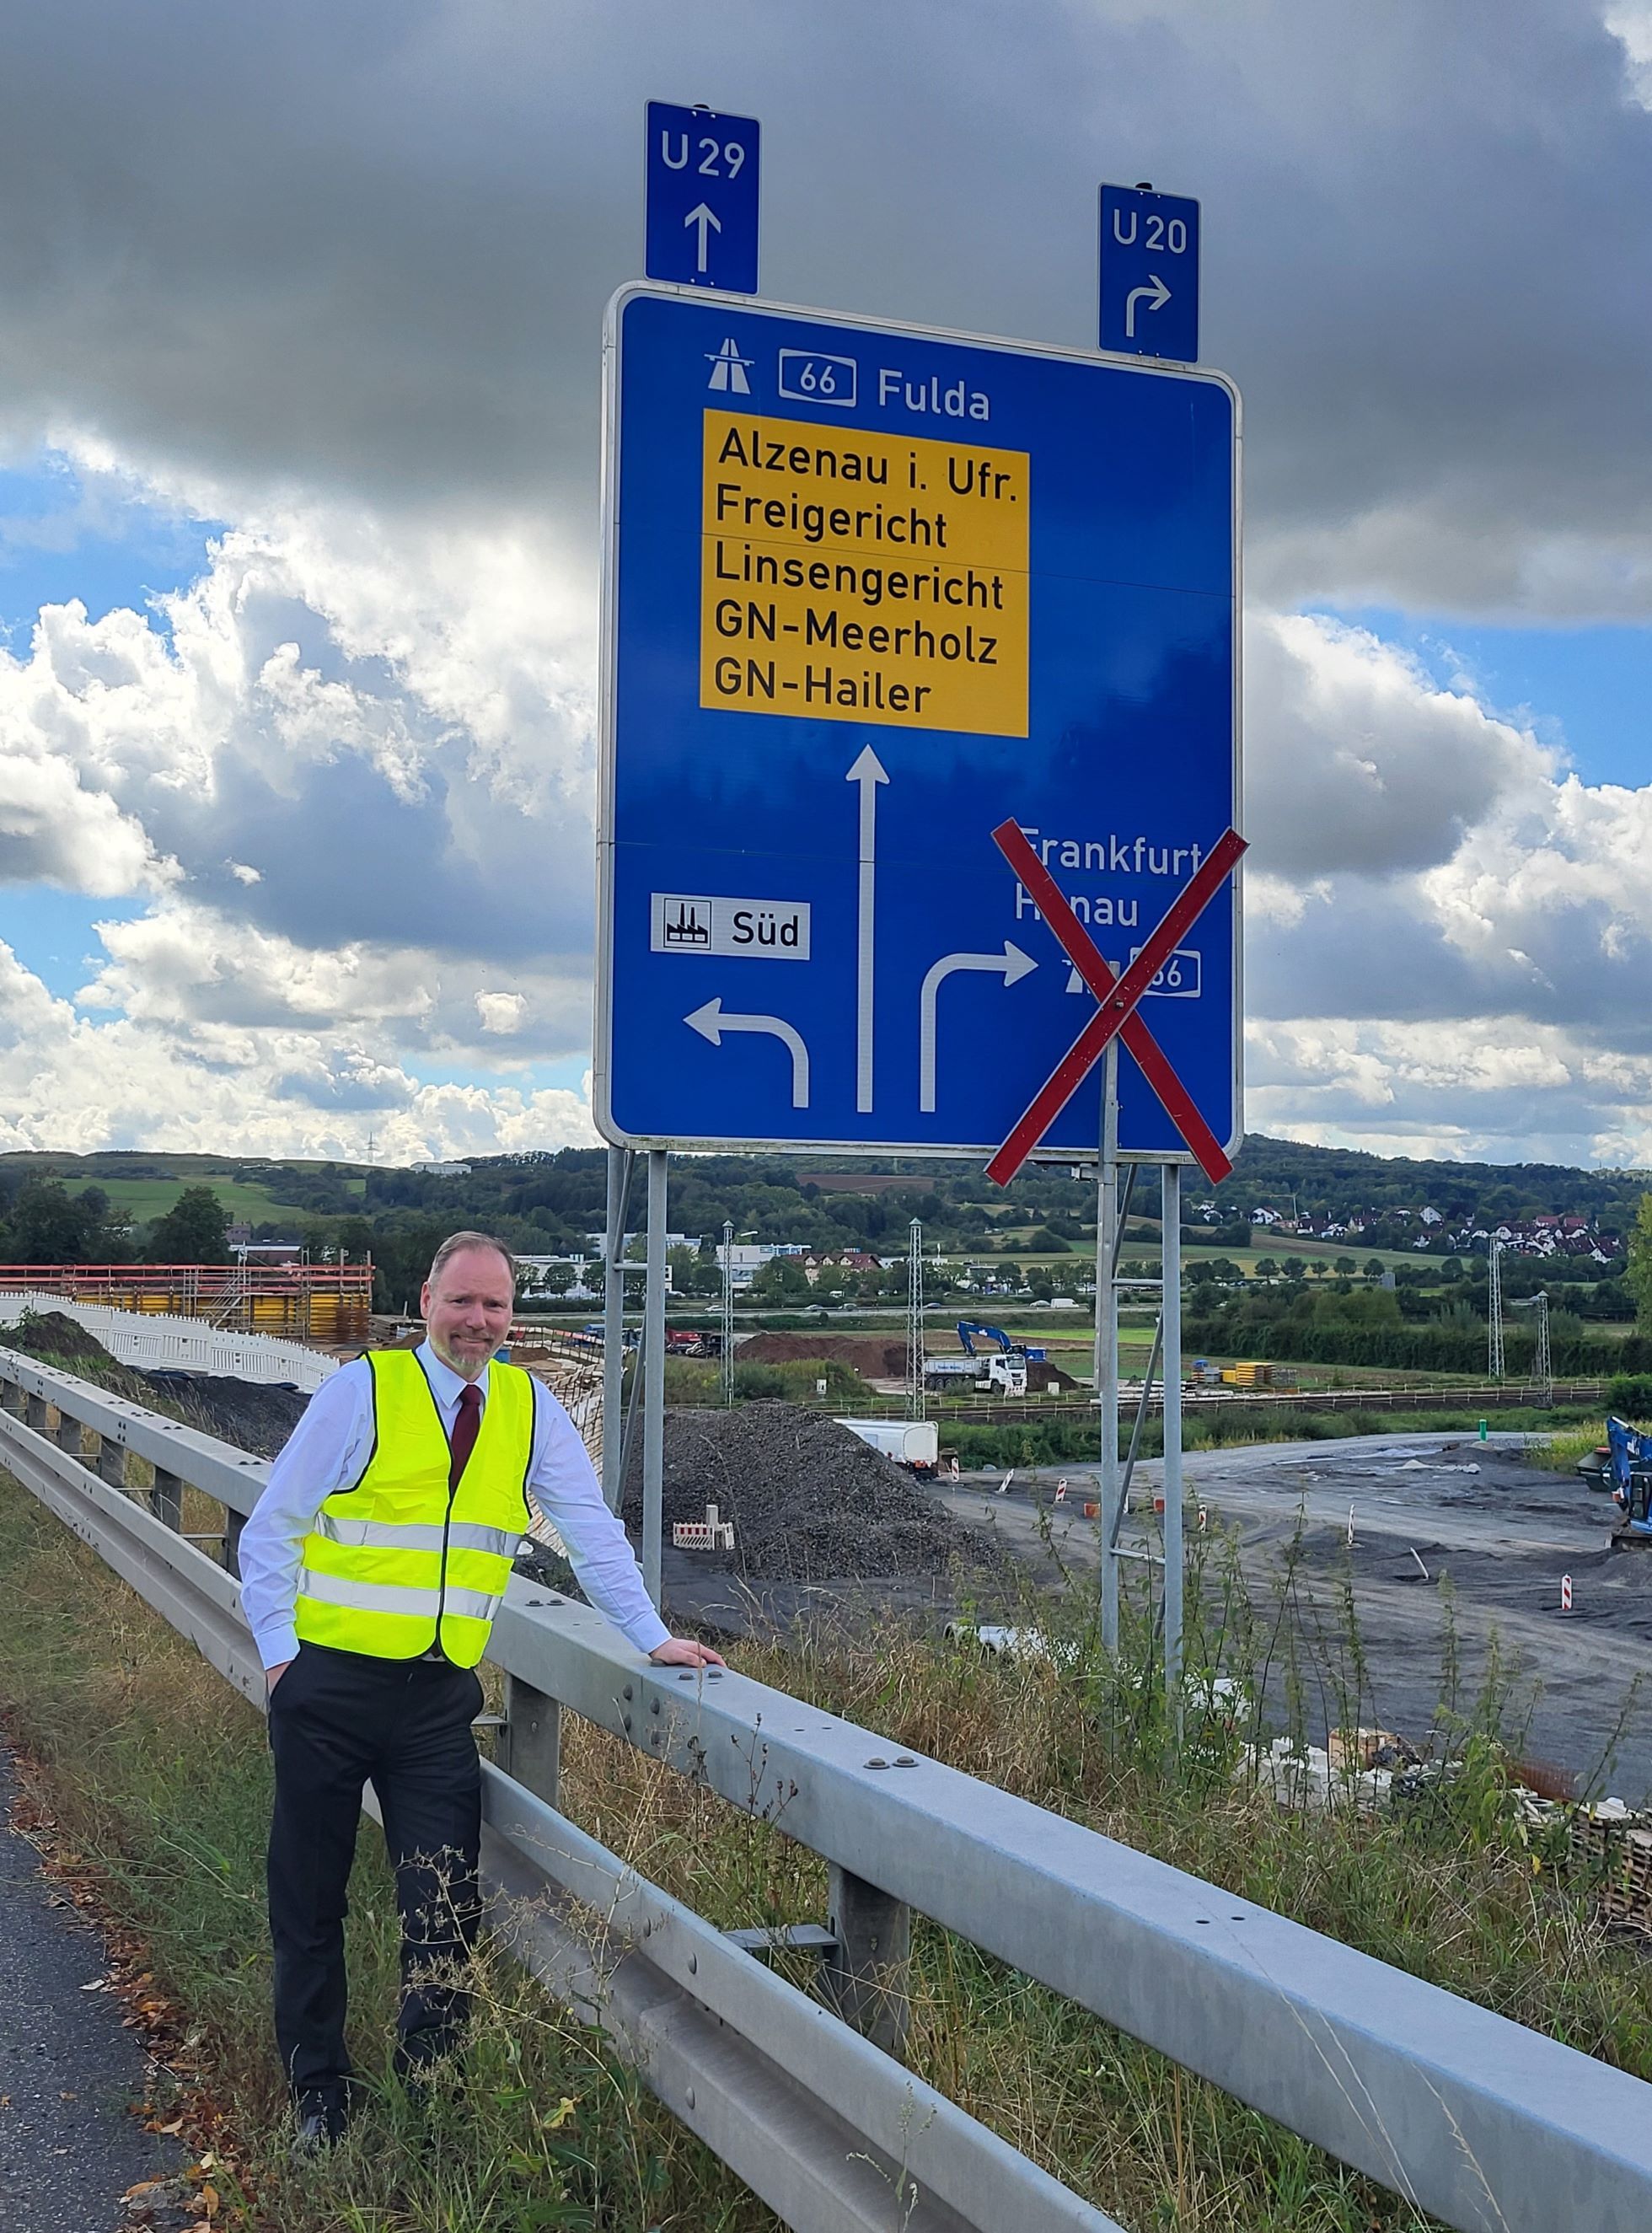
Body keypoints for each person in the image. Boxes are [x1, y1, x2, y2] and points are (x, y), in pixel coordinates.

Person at [238, 1229, 722, 2150]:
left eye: (495, 1304)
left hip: (436, 1700)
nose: (478, 1320)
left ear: (512, 1316)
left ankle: (431, 2093)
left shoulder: (528, 1408)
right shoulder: (363, 1391)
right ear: (426, 1302)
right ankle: (319, 2093)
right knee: (309, 1899)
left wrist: (650, 1635)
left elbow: (590, 1529)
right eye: (461, 1300)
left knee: (444, 1906)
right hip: (329, 1688)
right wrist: (280, 1660)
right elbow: (272, 1530)